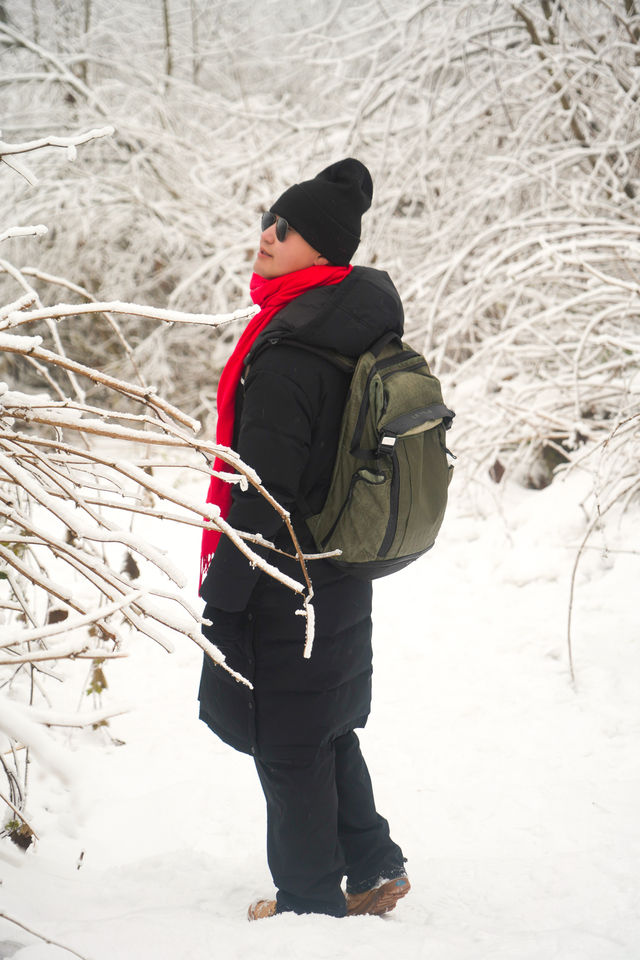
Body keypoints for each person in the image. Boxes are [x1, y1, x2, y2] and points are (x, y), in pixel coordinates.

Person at [198, 158, 410, 919]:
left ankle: (310, 900)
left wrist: (223, 589)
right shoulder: (344, 325)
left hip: (283, 578)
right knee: (324, 727)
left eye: (283, 228)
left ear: (320, 249)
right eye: (268, 218)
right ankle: (373, 862)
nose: (267, 234)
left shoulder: (293, 349)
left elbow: (264, 491)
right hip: (338, 566)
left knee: (288, 746)